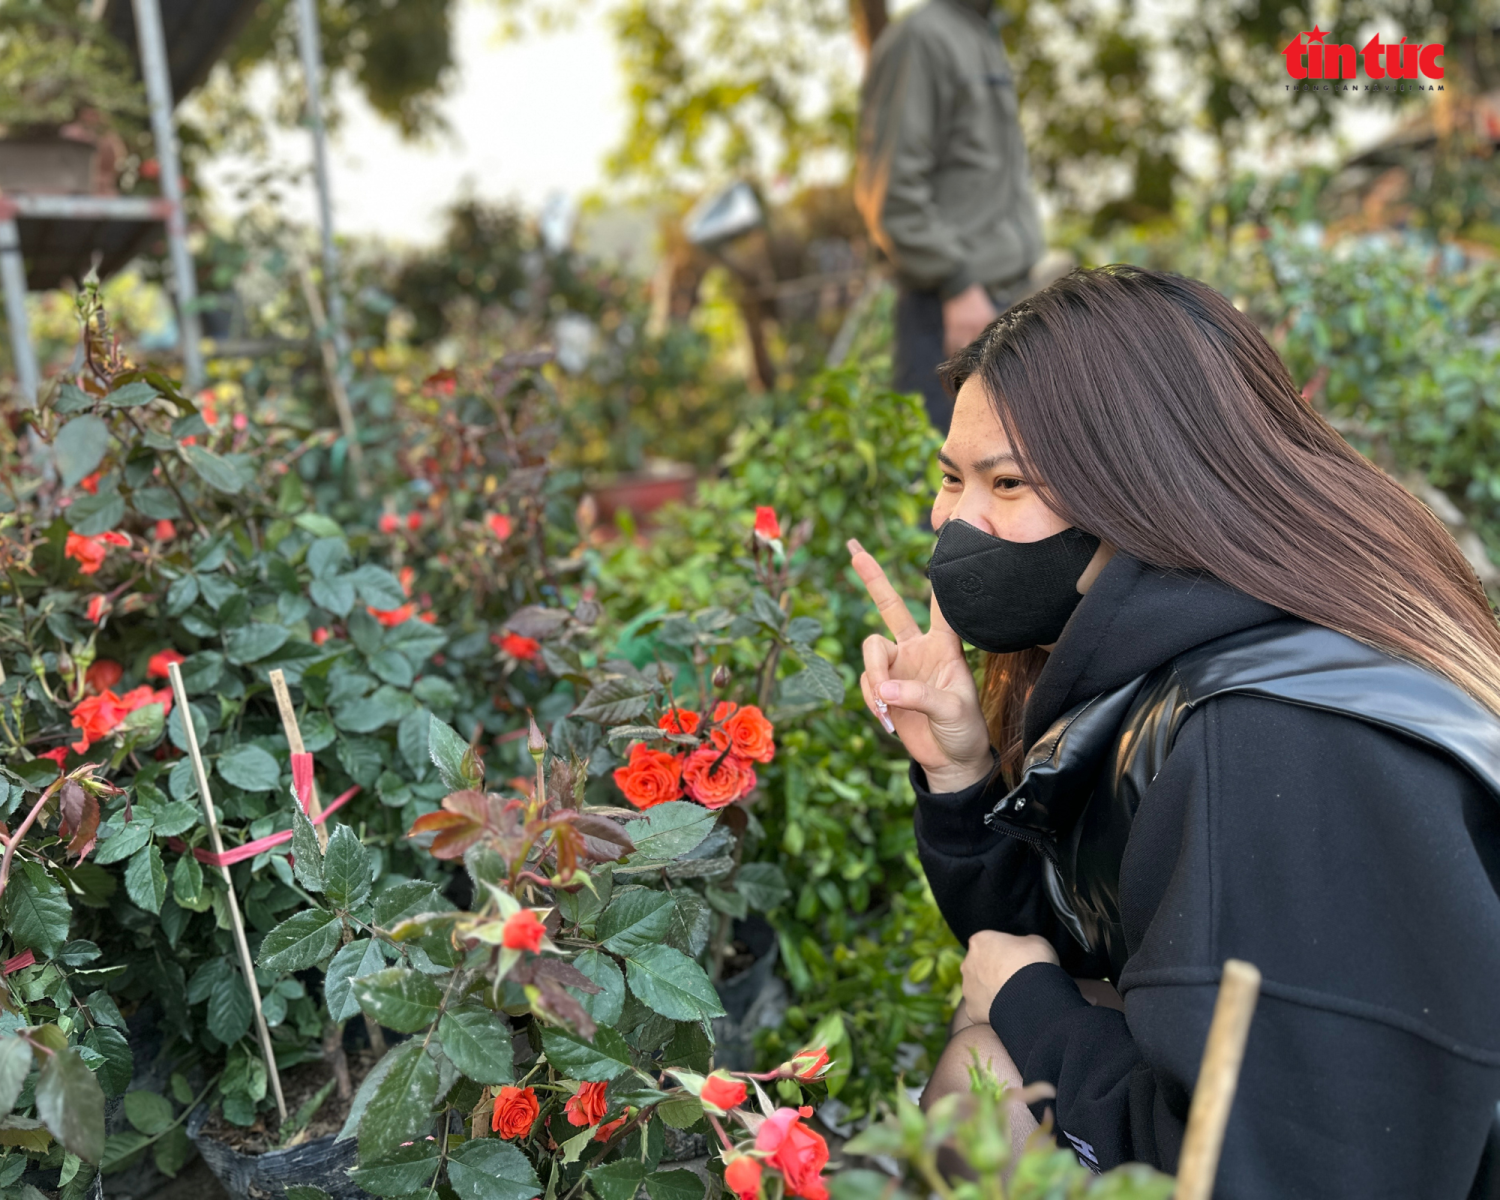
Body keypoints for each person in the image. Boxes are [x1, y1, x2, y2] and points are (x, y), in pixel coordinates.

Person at [848, 265, 1500, 1195]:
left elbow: (1271, 1171)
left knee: (982, 1069)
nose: (956, 522)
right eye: (953, 477)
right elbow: (1083, 942)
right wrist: (959, 772)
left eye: (1009, 482)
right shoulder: (1222, 641)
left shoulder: (1276, 746)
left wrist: (1031, 1011)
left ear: (1143, 487)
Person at [854, 0, 1045, 434]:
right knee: (942, 486)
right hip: (951, 310)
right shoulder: (921, 38)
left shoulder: (982, 33)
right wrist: (956, 285)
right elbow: (890, 192)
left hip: (1000, 302)